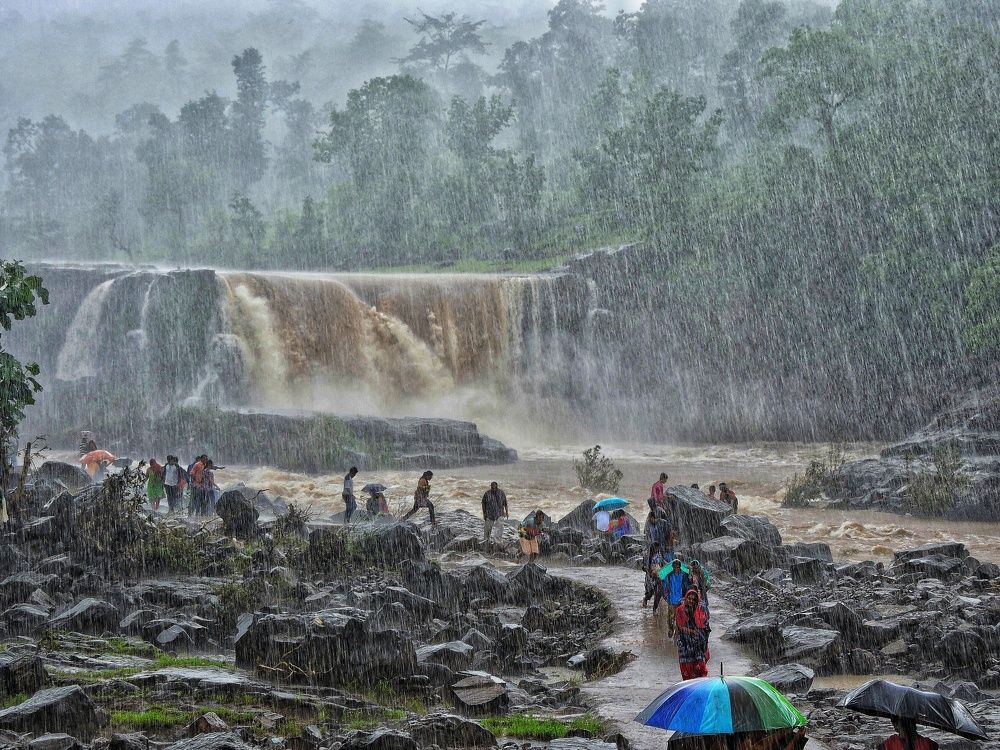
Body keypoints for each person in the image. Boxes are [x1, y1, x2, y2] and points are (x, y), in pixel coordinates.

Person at [675, 588, 710, 680]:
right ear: (686, 598)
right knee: (687, 671)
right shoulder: (680, 610)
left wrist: (705, 642)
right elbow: (680, 627)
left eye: (693, 599)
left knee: (701, 668)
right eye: (689, 598)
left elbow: (706, 626)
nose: (691, 601)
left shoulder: (700, 610)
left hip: (697, 644)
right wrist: (692, 632)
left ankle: (700, 686)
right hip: (685, 644)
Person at [660, 559, 690, 629]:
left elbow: (686, 585)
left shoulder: (684, 575)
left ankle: (678, 631)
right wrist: (665, 595)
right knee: (671, 617)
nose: (676, 568)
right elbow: (665, 586)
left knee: (680, 616)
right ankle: (670, 628)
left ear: (680, 567)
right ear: (672, 567)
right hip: (671, 599)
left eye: (678, 567)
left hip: (681, 599)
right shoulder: (669, 575)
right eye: (675, 567)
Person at [642, 541, 665, 608]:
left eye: (657, 548)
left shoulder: (660, 555)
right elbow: (643, 566)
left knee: (659, 592)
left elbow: (662, 563)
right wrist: (648, 570)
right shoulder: (647, 555)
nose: (656, 549)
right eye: (655, 547)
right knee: (651, 592)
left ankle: (655, 608)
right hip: (650, 577)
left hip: (659, 575)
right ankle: (645, 599)